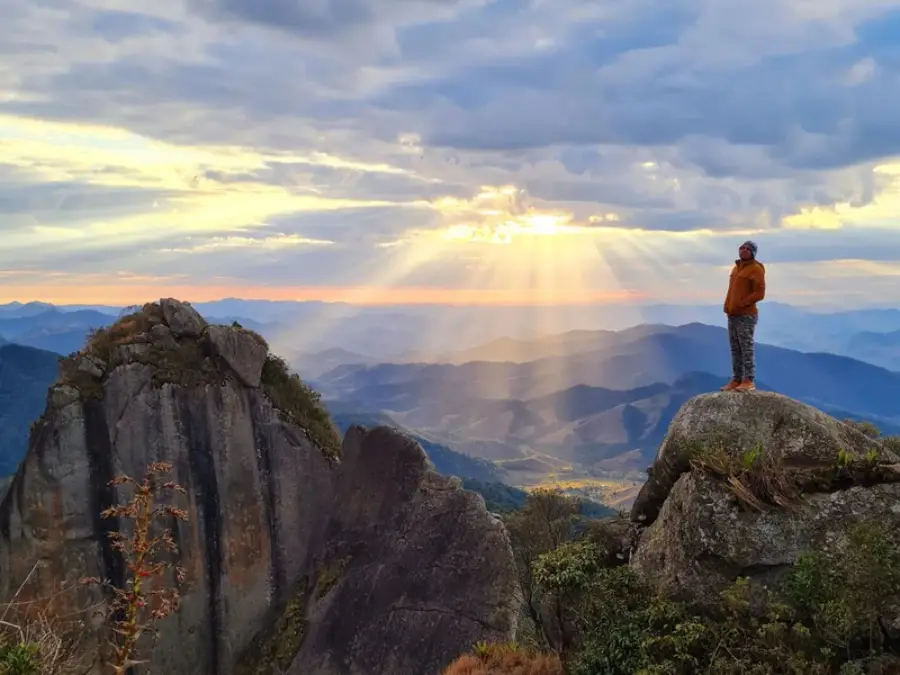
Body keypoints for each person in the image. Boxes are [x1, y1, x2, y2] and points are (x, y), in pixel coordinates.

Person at [721, 240, 765, 392]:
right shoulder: (736, 269)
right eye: (741, 247)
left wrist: (742, 303)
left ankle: (748, 380)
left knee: (746, 347)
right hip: (732, 314)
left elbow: (759, 293)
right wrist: (728, 306)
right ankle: (737, 379)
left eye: (747, 248)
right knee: (735, 348)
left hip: (746, 315)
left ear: (752, 252)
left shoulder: (756, 269)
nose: (743, 250)